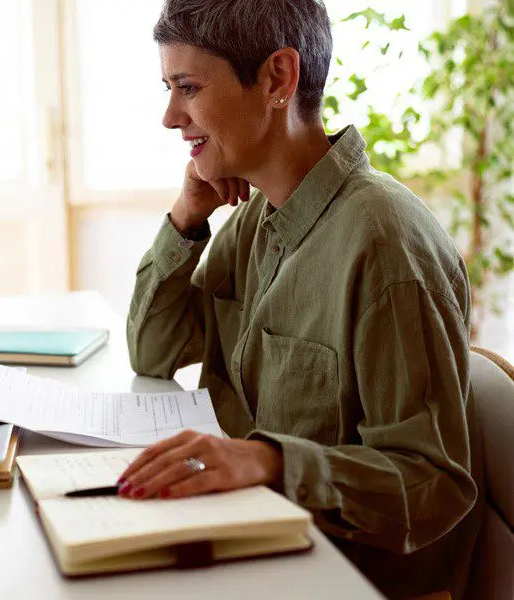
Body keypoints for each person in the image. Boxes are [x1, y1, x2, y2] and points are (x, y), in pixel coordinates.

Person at [120, 1, 482, 599]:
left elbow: (433, 484)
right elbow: (151, 351)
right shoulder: (256, 215)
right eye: (168, 88)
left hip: (338, 578)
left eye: (187, 87)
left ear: (278, 80)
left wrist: (269, 463)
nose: (169, 117)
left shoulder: (387, 247)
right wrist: (187, 215)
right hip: (251, 544)